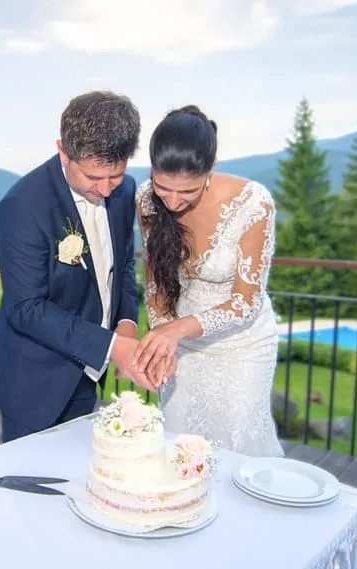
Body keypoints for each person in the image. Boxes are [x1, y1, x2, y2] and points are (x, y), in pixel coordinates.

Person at [0, 91, 169, 443]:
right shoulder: (22, 206)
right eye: (94, 177)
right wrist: (112, 347)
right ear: (63, 151)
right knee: (29, 474)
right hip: (31, 379)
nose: (105, 189)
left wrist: (126, 326)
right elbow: (26, 308)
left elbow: (122, 267)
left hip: (86, 372)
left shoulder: (124, 191)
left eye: (116, 176)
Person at [133, 105, 284, 457]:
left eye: (187, 191)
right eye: (163, 187)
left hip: (242, 346)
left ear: (210, 167)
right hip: (182, 346)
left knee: (238, 449)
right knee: (180, 446)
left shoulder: (253, 205)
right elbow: (156, 286)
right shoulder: (146, 200)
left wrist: (175, 330)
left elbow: (245, 303)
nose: (172, 201)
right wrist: (163, 337)